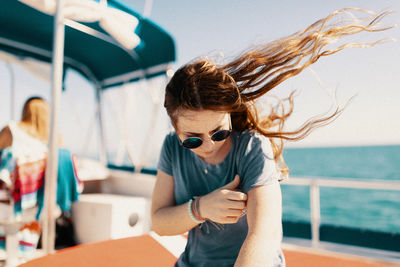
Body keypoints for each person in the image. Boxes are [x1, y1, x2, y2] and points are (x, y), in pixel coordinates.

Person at [150, 8, 391, 267]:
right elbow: (159, 222)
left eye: (219, 132)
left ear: (230, 117)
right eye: (193, 139)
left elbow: (264, 235)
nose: (209, 145)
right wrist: (200, 209)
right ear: (175, 130)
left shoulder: (252, 147)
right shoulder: (170, 148)